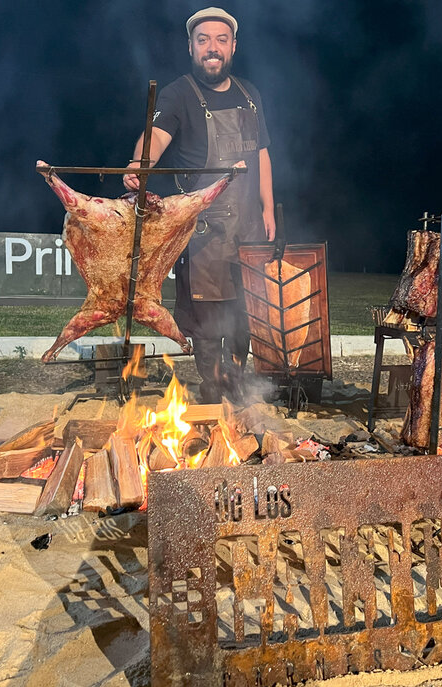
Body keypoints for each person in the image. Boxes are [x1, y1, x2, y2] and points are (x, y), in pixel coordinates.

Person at [124, 6, 275, 404]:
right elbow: (153, 138)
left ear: (233, 47)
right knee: (208, 320)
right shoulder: (178, 94)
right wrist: (139, 165)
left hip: (249, 228)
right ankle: (212, 391)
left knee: (247, 313)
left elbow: (261, 155)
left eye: (221, 40)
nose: (213, 48)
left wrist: (268, 209)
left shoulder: (250, 94)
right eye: (204, 40)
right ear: (191, 46)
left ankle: (237, 385)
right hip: (204, 232)